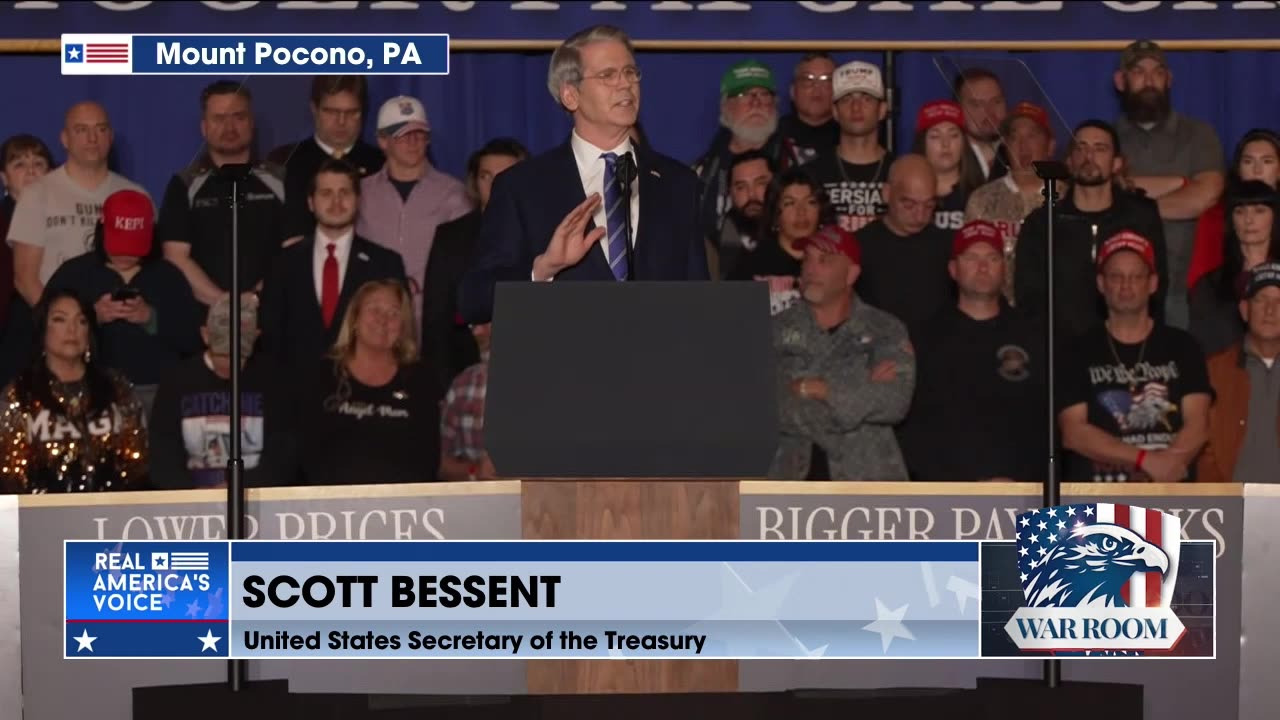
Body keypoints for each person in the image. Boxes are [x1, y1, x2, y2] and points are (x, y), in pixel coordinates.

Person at [459, 25, 709, 325]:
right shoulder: (522, 187)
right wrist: (543, 269)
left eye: (630, 72)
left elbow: (699, 299)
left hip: (659, 365)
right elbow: (474, 299)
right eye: (608, 75)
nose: (625, 84)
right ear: (570, 95)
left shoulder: (677, 183)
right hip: (564, 366)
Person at [1058, 232, 1211, 482]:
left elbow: (1199, 424)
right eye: (1116, 276)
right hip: (1099, 500)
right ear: (1100, 283)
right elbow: (1073, 432)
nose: (1126, 285)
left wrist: (1168, 464)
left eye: (1136, 277)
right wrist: (1145, 460)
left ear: (1152, 283)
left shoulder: (1183, 346)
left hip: (1171, 497)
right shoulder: (1076, 351)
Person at [898, 221, 1046, 482]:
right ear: (953, 269)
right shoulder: (923, 339)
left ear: (1005, 268)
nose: (983, 266)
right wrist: (962, 486)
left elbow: (1046, 424)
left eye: (992, 257)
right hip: (946, 501)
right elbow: (912, 430)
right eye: (972, 257)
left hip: (1023, 495)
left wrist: (1021, 482)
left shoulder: (1035, 337)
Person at [769, 224, 915, 481]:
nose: (811, 268)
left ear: (851, 274)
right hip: (788, 490)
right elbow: (763, 404)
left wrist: (816, 389)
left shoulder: (885, 330)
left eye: (824, 260)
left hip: (867, 491)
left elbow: (894, 401)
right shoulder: (775, 329)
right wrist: (858, 393)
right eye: (807, 260)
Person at [45, 189, 200, 417]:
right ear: (102, 226)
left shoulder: (168, 276)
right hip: (88, 390)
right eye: (120, 245)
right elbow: (40, 332)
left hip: (158, 392)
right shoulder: (74, 274)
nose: (126, 256)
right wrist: (88, 319)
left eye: (134, 247)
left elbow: (195, 339)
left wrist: (151, 318)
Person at [1016, 120, 1167, 343]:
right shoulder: (1042, 223)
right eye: (1081, 148)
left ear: (1117, 163)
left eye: (1100, 149)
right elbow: (1029, 300)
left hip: (1127, 349)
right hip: (1061, 354)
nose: (1089, 156)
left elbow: (1157, 288)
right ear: (1069, 161)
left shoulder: (1141, 217)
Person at [1113, 40, 1226, 330]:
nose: (1149, 81)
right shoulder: (1104, 139)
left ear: (1169, 79)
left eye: (1157, 72)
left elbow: (1204, 196)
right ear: (1120, 80)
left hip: (1186, 292)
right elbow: (1095, 193)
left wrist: (1130, 198)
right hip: (1118, 293)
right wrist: (1179, 183)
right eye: (1138, 72)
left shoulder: (1199, 134)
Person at [260, 159, 407, 370]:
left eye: (344, 193)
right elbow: (271, 337)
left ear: (358, 200)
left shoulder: (386, 263)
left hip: (364, 392)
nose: (336, 202)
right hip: (296, 393)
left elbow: (398, 336)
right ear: (311, 202)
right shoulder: (283, 263)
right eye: (326, 193)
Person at [293, 279, 440, 486]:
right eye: (374, 309)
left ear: (403, 326)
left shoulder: (420, 379)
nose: (383, 320)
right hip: (330, 508)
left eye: (394, 313)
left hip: (403, 510)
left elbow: (429, 457)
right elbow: (303, 452)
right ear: (354, 318)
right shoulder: (322, 375)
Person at [0, 289, 147, 493]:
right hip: (40, 515)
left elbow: (137, 464)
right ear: (43, 330)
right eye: (60, 320)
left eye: (81, 321)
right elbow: (10, 475)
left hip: (110, 513)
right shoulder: (20, 393)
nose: (72, 330)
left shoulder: (115, 387)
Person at [158, 81, 287, 311]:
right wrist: (226, 306)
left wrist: (255, 299)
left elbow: (295, 251)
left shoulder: (281, 180)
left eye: (238, 117)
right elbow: (176, 257)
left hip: (272, 317)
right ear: (204, 127)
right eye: (219, 118)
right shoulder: (183, 185)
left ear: (251, 122)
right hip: (205, 323)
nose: (229, 127)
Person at [8, 101, 149, 309]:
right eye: (81, 130)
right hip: (59, 332)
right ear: (65, 139)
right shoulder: (36, 194)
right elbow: (25, 280)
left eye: (100, 129)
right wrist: (64, 325)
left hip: (120, 325)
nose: (92, 139)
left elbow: (150, 271)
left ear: (110, 137)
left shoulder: (137, 196)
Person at [149, 294, 294, 489]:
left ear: (256, 336)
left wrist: (240, 486)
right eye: (223, 355)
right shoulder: (178, 380)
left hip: (256, 494)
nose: (231, 364)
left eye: (239, 356)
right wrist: (191, 493)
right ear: (205, 335)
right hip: (190, 499)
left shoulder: (273, 380)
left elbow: (283, 456)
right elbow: (162, 453)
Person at [357, 95, 472, 331]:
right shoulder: (361, 193)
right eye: (402, 134)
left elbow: (464, 263)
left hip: (435, 323)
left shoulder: (454, 193)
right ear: (382, 140)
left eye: (419, 134)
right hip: (373, 324)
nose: (413, 141)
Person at [422, 138, 527, 394]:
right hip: (463, 379)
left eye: (505, 175)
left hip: (529, 374)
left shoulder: (545, 233)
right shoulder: (450, 237)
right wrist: (444, 390)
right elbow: (436, 322)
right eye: (486, 176)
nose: (495, 185)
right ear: (474, 182)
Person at [269, 76, 385, 244]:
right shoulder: (285, 161)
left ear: (364, 112)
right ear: (314, 109)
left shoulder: (380, 163)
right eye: (331, 111)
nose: (341, 122)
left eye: (352, 112)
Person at [853, 154, 955, 343]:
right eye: (909, 204)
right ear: (886, 193)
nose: (920, 215)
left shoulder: (949, 247)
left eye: (929, 205)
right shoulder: (859, 247)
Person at [964, 102, 1056, 304]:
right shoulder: (982, 199)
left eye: (1032, 136)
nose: (1023, 146)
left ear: (1050, 146)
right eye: (1014, 137)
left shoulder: (1066, 197)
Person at [1197, 263, 1280, 483]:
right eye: (1261, 300)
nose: (1270, 310)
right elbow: (1201, 447)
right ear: (1244, 310)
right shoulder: (1213, 371)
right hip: (1228, 508)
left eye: (1279, 301)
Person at [694, 59, 785, 240]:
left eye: (764, 94)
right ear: (725, 106)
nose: (756, 103)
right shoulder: (702, 173)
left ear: (775, 104)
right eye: (744, 95)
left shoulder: (797, 162)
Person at [1188, 181, 1278, 356]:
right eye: (1240, 211)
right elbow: (1202, 345)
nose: (1248, 220)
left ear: (1275, 218)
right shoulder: (1209, 285)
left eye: (1259, 211)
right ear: (1232, 222)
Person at [1188, 128, 1280, 293]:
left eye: (1267, 161)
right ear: (1238, 169)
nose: (1257, 170)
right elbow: (1200, 285)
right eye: (1248, 161)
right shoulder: (1215, 217)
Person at [728, 168, 827, 316]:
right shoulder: (752, 264)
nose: (801, 211)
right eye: (789, 203)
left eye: (810, 202)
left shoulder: (835, 263)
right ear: (775, 214)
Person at [810, 60, 893, 233]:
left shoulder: (901, 173)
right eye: (846, 99)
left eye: (867, 98)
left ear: (882, 110)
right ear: (834, 111)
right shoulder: (812, 174)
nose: (856, 107)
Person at [911, 100, 983, 233]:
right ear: (922, 144)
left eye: (953, 135)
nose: (945, 144)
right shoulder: (908, 195)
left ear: (964, 142)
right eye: (935, 136)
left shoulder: (982, 195)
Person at [439, 322, 495, 482]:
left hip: (545, 501)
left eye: (486, 322)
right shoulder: (464, 384)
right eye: (474, 325)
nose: (477, 332)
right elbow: (440, 465)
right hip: (480, 502)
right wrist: (475, 470)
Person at [711, 150, 775, 280]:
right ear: (730, 193)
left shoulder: (797, 235)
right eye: (741, 187)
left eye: (761, 184)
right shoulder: (713, 248)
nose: (751, 195)